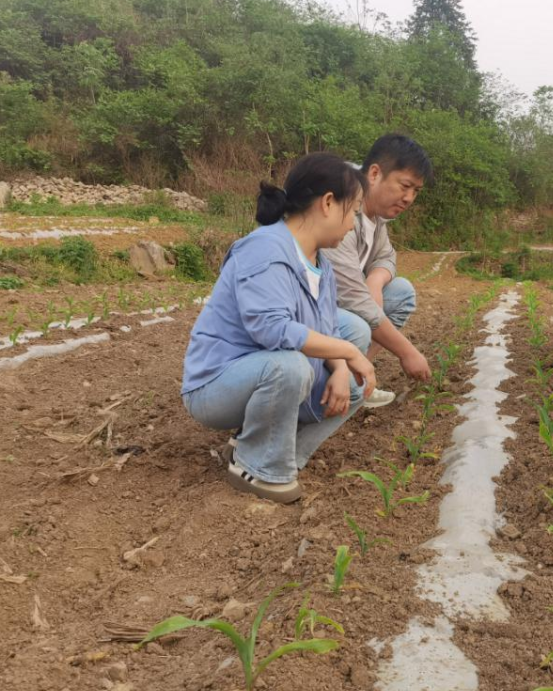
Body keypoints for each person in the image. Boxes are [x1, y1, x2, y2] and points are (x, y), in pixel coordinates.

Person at [181, 153, 376, 503]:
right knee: (292, 365)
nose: (354, 224)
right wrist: (346, 353)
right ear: (328, 203)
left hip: (263, 374)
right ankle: (256, 466)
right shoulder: (265, 249)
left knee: (353, 377)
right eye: (355, 210)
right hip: (215, 385)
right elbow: (273, 330)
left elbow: (330, 328)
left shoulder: (322, 265)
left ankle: (280, 453)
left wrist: (342, 368)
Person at [323, 134, 433, 407]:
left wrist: (376, 278)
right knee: (358, 324)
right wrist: (407, 352)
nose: (409, 198)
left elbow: (386, 256)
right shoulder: (341, 205)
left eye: (416, 191)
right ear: (374, 173)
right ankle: (335, 388)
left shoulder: (376, 217)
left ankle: (357, 380)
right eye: (405, 186)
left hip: (336, 306)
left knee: (401, 292)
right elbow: (351, 297)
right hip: (311, 311)